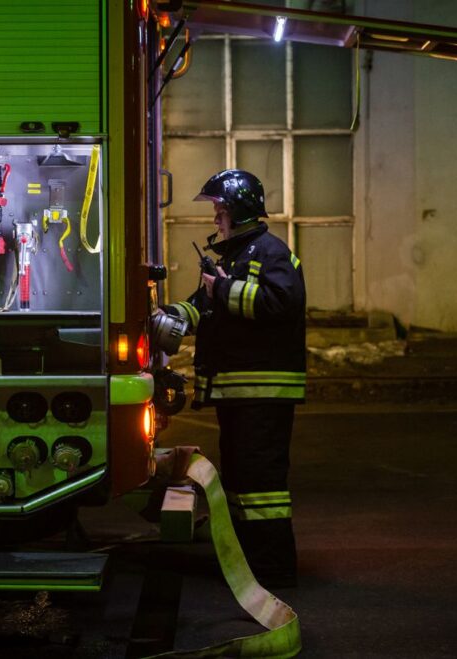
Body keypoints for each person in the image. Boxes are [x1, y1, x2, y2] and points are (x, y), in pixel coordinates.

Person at [163, 169, 306, 588]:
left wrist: (223, 290)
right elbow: (203, 306)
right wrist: (170, 317)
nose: (215, 220)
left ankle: (273, 572)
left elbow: (279, 303)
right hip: (240, 395)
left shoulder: (270, 254)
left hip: (261, 395)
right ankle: (249, 566)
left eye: (219, 211)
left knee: (262, 490)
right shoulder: (236, 258)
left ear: (238, 211)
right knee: (243, 485)